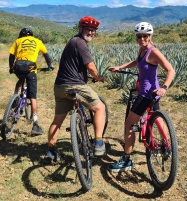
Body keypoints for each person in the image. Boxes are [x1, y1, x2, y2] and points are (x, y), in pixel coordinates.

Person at [108, 22, 175, 172]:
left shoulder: (153, 52)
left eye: (145, 36)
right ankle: (167, 146)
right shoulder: (142, 50)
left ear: (150, 36)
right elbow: (137, 62)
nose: (142, 39)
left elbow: (171, 70)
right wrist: (120, 67)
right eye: (139, 36)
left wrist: (164, 87)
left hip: (146, 94)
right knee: (155, 117)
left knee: (129, 125)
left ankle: (126, 160)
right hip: (152, 94)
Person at [44, 16, 106, 163]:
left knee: (57, 121)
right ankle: (98, 143)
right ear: (80, 29)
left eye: (93, 30)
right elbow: (90, 66)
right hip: (75, 86)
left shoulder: (72, 41)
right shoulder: (80, 43)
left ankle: (50, 151)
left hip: (60, 87)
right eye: (88, 29)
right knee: (100, 108)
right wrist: (98, 77)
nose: (91, 33)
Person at [9, 28, 54, 135]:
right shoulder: (37, 41)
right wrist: (50, 66)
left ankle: (15, 97)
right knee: (32, 97)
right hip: (30, 69)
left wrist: (11, 68)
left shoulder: (18, 41)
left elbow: (11, 56)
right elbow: (46, 54)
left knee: (20, 80)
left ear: (21, 35)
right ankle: (35, 123)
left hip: (18, 67)